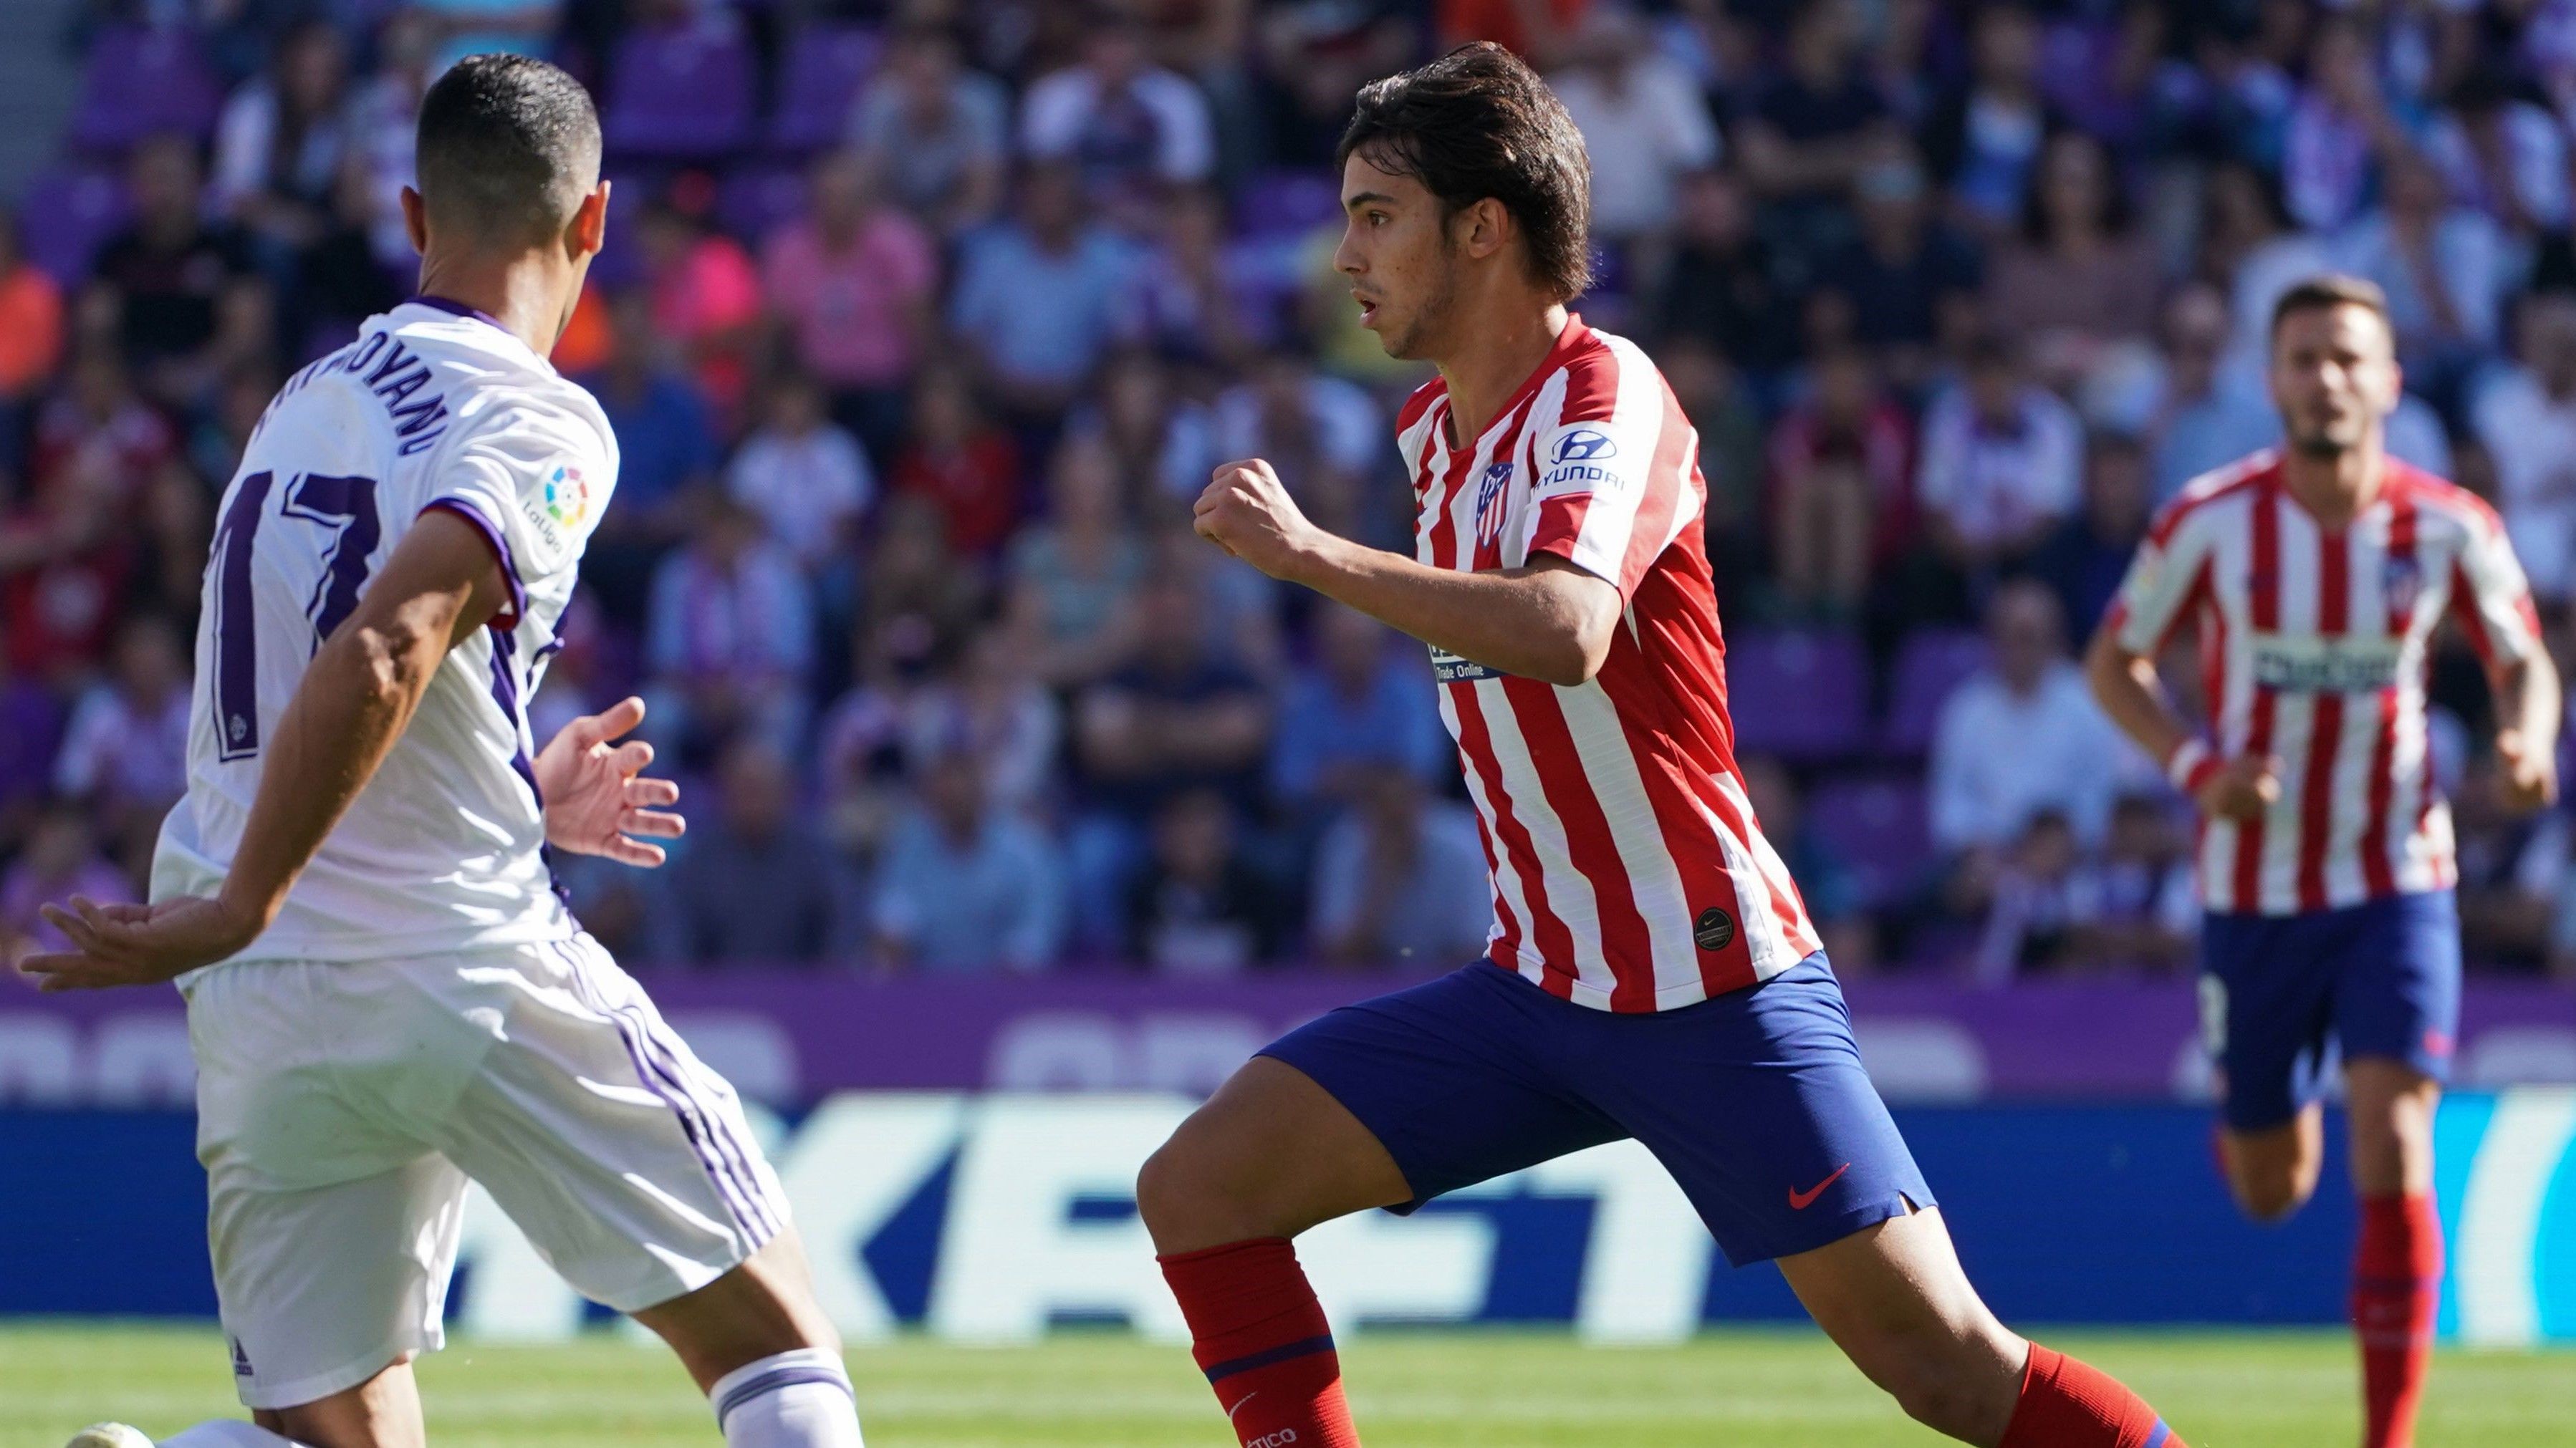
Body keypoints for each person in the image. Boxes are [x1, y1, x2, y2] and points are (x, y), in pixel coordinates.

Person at [1147, 42, 2191, 1448]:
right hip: (1537, 990)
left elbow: (1567, 628)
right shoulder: (1428, 439)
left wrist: (1315, 556)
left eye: (1374, 213)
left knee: (1948, 1370)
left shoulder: (1608, 393)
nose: (1342, 254)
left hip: (1709, 986)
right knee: (1201, 1191)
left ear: (1483, 226)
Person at [23, 57, 864, 1448]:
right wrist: (248, 892)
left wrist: (511, 794)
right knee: (773, 1344)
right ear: (594, 222)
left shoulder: (301, 404)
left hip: (265, 1004)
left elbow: (349, 667)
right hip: (443, 956)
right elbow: (387, 645)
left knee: (343, 1437)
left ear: (415, 212)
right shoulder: (535, 415)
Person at [2085, 274, 2560, 1448]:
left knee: (2397, 1132)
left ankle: (2385, 1439)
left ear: (2392, 381)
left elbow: (2525, 658)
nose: (2328, 379)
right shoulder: (2210, 520)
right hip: (2254, 892)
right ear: (2273, 380)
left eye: (2350, 358)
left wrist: (2528, 737)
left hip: (2398, 873)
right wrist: (2198, 768)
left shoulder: (2449, 524)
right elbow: (2114, 662)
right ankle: (2259, 1106)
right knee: (2272, 1187)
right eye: (2305, 358)